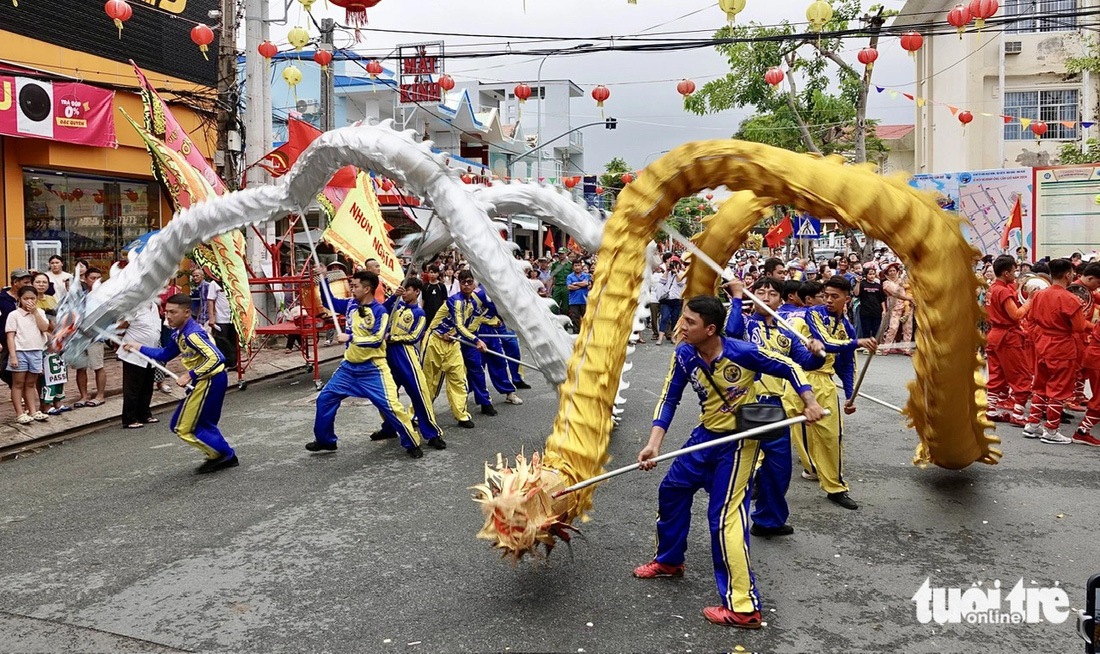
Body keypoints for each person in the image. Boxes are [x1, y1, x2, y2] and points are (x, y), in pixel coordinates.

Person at [632, 295, 826, 628]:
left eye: (689, 322)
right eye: (682, 319)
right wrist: (653, 444)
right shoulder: (683, 354)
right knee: (672, 490)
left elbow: (791, 366)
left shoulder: (742, 352)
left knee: (724, 517)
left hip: (739, 441)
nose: (681, 326)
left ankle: (743, 606)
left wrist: (808, 401)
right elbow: (669, 398)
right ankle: (668, 560)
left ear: (710, 329)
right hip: (706, 435)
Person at [724, 277, 824, 538]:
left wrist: (814, 351)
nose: (766, 296)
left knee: (778, 468)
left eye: (772, 293)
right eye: (760, 292)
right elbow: (731, 335)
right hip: (748, 403)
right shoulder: (745, 323)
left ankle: (768, 520)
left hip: (775, 404)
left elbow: (803, 363)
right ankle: (732, 523)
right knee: (746, 467)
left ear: (781, 300)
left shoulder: (786, 332)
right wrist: (736, 298)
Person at [305, 270, 424, 458]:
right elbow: (328, 302)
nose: (352, 289)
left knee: (392, 407)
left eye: (355, 286)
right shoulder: (351, 304)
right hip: (348, 368)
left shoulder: (380, 312)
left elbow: (377, 339)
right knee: (324, 399)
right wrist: (324, 279)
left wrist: (350, 337)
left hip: (373, 369)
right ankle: (326, 441)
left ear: (367, 289)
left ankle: (412, 442)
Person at [789, 277, 877, 509]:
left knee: (831, 437)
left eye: (834, 296)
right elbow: (825, 342)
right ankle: (761, 480)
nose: (828, 300)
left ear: (847, 299)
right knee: (781, 436)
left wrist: (850, 395)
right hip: (797, 378)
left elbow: (846, 365)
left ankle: (835, 487)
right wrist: (857, 341)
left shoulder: (847, 327)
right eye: (826, 294)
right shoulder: (813, 314)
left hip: (825, 383)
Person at [123, 294, 238, 473]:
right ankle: (222, 454)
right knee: (200, 424)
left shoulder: (193, 334)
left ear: (186, 313)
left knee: (184, 427)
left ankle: (223, 454)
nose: (168, 316)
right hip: (206, 381)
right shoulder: (179, 333)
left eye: (173, 312)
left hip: (209, 381)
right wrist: (138, 347)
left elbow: (217, 358)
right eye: (166, 311)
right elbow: (165, 354)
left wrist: (190, 375)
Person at [373, 277, 447, 450]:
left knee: (419, 395)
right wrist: (393, 298)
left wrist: (392, 337)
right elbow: (379, 312)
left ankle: (432, 434)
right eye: (403, 289)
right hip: (386, 355)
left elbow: (415, 336)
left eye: (407, 290)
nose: (404, 292)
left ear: (417, 292)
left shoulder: (419, 313)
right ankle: (389, 427)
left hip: (406, 356)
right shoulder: (395, 306)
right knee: (386, 396)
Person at [1022, 258, 1090, 444]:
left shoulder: (1040, 295)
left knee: (1041, 386)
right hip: (1061, 346)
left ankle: (1033, 424)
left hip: (1042, 344)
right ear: (1068, 275)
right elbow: (1078, 327)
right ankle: (1051, 430)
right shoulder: (1070, 299)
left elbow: (1032, 319)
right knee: (1058, 389)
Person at [422, 269, 482, 428]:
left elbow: (470, 324)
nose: (467, 285)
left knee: (459, 378)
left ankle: (461, 415)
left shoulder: (472, 302)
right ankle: (418, 414)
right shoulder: (455, 301)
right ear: (459, 283)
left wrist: (473, 337)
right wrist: (476, 341)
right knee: (429, 381)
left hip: (452, 342)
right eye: (464, 282)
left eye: (470, 282)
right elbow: (460, 325)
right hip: (434, 340)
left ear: (474, 283)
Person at [984, 255, 1032, 425]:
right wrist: (1030, 301)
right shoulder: (1003, 290)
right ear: (1006, 273)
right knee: (1022, 375)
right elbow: (1016, 315)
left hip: (994, 335)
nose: (1016, 273)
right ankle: (1018, 414)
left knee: (997, 375)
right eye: (1014, 270)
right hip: (1007, 337)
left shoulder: (992, 288)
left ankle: (990, 409)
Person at [5, 285, 50, 424]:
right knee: (18, 383)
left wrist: (35, 312)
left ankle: (33, 410)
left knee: (31, 383)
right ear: (19, 299)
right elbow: (10, 336)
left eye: (32, 298)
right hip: (20, 352)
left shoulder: (40, 312)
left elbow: (44, 328)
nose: (29, 301)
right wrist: (13, 356)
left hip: (36, 351)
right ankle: (19, 412)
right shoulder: (14, 315)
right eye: (25, 299)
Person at [117, 299, 162, 429]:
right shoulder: (134, 306)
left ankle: (145, 414)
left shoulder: (154, 306)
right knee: (133, 387)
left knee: (147, 386)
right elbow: (120, 327)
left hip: (150, 352)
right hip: (133, 354)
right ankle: (129, 418)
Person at [32, 273, 68, 415]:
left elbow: (57, 320)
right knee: (43, 376)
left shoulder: (52, 299)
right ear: (33, 283)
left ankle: (57, 402)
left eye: (44, 282)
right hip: (40, 342)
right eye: (38, 282)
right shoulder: (31, 301)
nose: (41, 284)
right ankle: (44, 404)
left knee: (57, 372)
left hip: (56, 341)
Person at [204, 271, 238, 370]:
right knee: (222, 342)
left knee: (234, 341)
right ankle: (223, 364)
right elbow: (210, 301)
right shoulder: (214, 283)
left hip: (234, 318)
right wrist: (211, 318)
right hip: (221, 318)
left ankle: (233, 363)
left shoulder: (233, 281)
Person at [880, 262, 914, 355]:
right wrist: (909, 298)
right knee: (893, 327)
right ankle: (886, 348)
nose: (892, 273)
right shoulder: (886, 283)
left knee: (908, 328)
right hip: (895, 307)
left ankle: (906, 349)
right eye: (890, 271)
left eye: (894, 270)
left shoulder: (902, 280)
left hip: (907, 307)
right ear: (887, 273)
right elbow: (896, 294)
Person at [656, 257, 686, 345]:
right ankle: (660, 338)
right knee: (664, 318)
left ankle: (673, 337)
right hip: (667, 300)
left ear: (679, 265)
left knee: (675, 319)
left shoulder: (682, 273)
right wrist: (667, 270)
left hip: (677, 300)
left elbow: (681, 283)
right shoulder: (667, 273)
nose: (673, 266)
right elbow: (662, 281)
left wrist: (676, 272)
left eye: (675, 264)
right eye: (672, 264)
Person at [853, 264, 886, 343]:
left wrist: (884, 310)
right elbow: (856, 294)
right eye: (870, 274)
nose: (872, 276)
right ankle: (866, 346)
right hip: (865, 311)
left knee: (876, 330)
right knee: (866, 330)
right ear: (866, 275)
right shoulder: (862, 284)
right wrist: (858, 283)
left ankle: (875, 346)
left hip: (876, 311)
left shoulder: (878, 286)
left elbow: (882, 299)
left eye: (873, 274)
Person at [566, 259, 592, 334]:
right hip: (573, 301)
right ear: (573, 267)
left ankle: (586, 334)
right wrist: (581, 285)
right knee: (575, 319)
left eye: (578, 265)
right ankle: (576, 335)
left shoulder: (586, 275)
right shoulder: (569, 276)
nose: (577, 267)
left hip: (584, 300)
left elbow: (586, 283)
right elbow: (569, 287)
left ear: (581, 266)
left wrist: (575, 283)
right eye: (575, 266)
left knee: (586, 318)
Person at [550, 248, 574, 316]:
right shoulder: (555, 265)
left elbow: (572, 277)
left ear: (566, 254)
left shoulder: (570, 265)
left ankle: (565, 322)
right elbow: (552, 277)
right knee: (554, 306)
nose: (561, 255)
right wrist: (549, 289)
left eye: (562, 254)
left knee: (565, 307)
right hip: (557, 286)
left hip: (566, 287)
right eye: (560, 254)